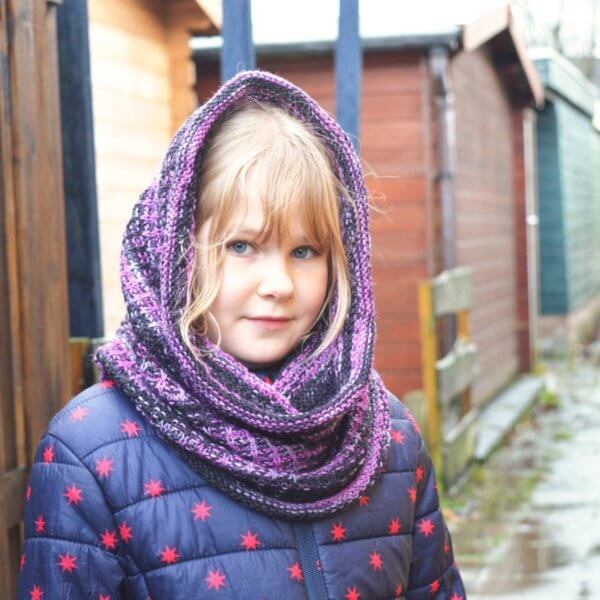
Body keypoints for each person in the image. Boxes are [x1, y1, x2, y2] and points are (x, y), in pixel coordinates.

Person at [17, 70, 466, 599]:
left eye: (304, 252)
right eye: (242, 246)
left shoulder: (387, 436)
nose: (277, 285)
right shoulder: (91, 450)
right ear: (176, 249)